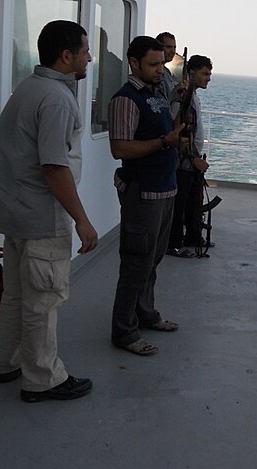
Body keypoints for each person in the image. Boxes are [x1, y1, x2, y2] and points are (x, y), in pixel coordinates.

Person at [0, 20, 98, 402]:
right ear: (66, 56)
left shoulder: (29, 87)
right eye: (85, 51)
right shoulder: (55, 97)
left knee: (18, 295)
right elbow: (54, 166)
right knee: (44, 301)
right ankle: (42, 379)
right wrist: (82, 220)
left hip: (16, 215)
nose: (90, 57)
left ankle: (5, 362)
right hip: (41, 219)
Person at [108, 36, 185, 356]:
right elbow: (120, 148)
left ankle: (145, 314)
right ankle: (124, 332)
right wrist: (164, 142)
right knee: (136, 264)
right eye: (153, 64)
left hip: (165, 189)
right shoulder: (126, 99)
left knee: (152, 260)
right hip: (143, 193)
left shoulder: (156, 95)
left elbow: (167, 132)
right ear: (134, 63)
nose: (159, 70)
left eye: (162, 64)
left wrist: (180, 114)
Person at [167, 54, 212, 257]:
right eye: (205, 73)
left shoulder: (191, 96)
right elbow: (180, 132)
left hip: (191, 160)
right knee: (179, 203)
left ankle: (192, 237)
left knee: (191, 201)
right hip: (183, 161)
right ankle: (174, 244)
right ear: (191, 73)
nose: (208, 78)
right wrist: (194, 158)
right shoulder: (182, 97)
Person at [155, 32, 178, 102]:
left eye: (174, 47)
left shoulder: (167, 72)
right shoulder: (155, 72)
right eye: (168, 47)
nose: (173, 51)